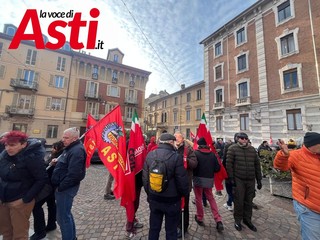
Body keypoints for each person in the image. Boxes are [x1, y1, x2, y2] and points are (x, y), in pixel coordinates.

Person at [0, 131, 48, 240]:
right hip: (3, 200)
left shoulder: (32, 158)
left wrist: (26, 199)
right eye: (6, 145)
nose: (8, 148)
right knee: (6, 232)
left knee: (19, 234)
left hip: (20, 202)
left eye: (12, 145)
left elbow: (41, 179)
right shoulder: (4, 156)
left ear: (23, 144)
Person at [273, 132, 320, 240]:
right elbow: (280, 167)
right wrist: (283, 154)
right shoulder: (296, 155)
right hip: (308, 208)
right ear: (313, 145)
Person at [142, 133, 189, 240]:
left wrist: (150, 194)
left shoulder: (150, 155)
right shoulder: (176, 157)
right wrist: (182, 195)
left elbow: (145, 179)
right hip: (172, 200)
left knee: (153, 228)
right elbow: (182, 181)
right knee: (171, 230)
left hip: (154, 198)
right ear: (171, 143)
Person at [51, 127, 86, 240]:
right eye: (63, 137)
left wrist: (61, 187)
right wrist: (57, 162)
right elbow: (66, 164)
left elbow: (75, 174)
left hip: (66, 189)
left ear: (75, 138)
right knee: (66, 215)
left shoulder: (77, 151)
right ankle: (72, 237)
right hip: (63, 187)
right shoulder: (70, 148)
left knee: (62, 217)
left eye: (66, 138)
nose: (63, 140)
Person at [226, 132, 262, 232]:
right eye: (242, 138)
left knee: (249, 201)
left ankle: (247, 220)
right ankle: (237, 220)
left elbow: (257, 165)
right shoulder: (232, 149)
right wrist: (231, 179)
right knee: (239, 201)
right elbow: (229, 165)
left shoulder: (252, 150)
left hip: (250, 179)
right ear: (237, 139)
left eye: (246, 138)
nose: (244, 140)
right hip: (239, 179)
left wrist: (259, 180)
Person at [30, 140, 64, 240]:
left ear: (58, 148)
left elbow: (52, 170)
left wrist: (49, 164)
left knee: (37, 205)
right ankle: (51, 224)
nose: (52, 149)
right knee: (51, 205)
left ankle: (40, 231)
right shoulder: (53, 156)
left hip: (49, 185)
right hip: (50, 185)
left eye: (54, 147)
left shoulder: (59, 157)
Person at [193, 137, 224, 232]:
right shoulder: (212, 154)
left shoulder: (196, 153)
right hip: (209, 180)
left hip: (198, 179)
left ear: (199, 145)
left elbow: (193, 166)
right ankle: (218, 219)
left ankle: (200, 217)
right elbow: (217, 168)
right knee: (211, 198)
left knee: (198, 199)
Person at [174, 131, 198, 238]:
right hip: (173, 184)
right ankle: (176, 224)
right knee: (175, 206)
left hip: (185, 183)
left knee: (185, 206)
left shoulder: (188, 149)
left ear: (182, 139)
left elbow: (194, 164)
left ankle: (184, 226)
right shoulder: (172, 149)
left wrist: (185, 160)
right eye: (175, 139)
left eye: (178, 138)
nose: (176, 140)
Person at [222, 133, 238, 211]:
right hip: (238, 174)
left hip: (229, 173)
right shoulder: (248, 148)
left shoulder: (228, 147)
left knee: (230, 189)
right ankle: (230, 202)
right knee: (235, 189)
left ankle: (230, 203)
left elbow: (225, 160)